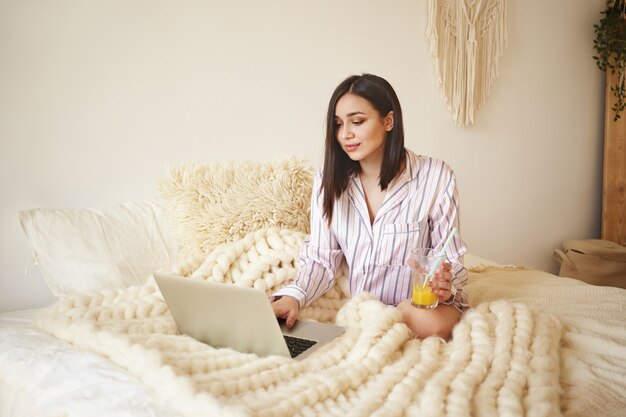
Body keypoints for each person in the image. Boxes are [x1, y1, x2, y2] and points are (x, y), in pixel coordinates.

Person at [271, 74, 469, 340]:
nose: (346, 134)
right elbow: (321, 256)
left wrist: (446, 284)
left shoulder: (436, 177)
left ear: (389, 121)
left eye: (357, 121)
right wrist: (295, 296)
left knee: (421, 318)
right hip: (363, 311)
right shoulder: (328, 180)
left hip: (423, 308)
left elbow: (451, 259)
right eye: (339, 124)